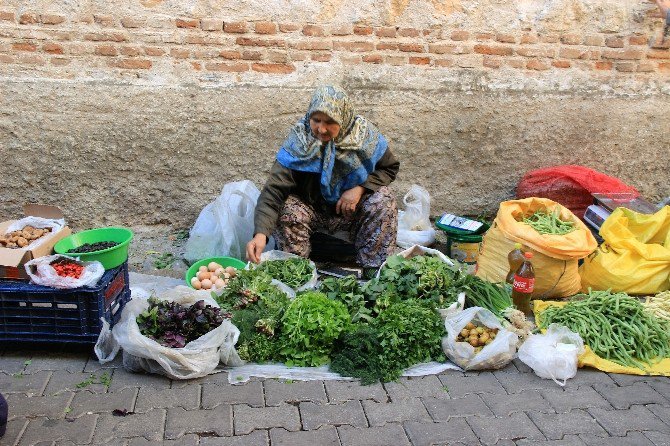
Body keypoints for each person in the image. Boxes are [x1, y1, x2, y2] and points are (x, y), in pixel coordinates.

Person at [246, 85, 399, 272]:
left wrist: (360, 188)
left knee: (383, 200)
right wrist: (261, 234)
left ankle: (374, 271)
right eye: (316, 120)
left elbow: (389, 168)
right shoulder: (300, 140)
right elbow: (274, 190)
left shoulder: (365, 137)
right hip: (312, 208)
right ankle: (297, 274)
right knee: (287, 208)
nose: (321, 129)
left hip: (351, 209)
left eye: (330, 121)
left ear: (344, 118)